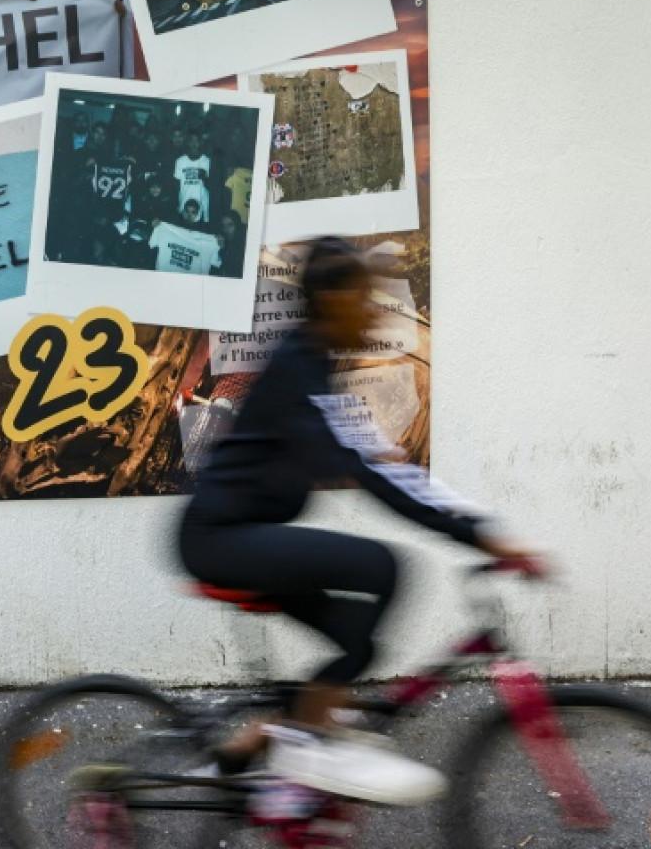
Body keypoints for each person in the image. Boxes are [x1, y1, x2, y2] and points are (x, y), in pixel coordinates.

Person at [178, 236, 542, 809]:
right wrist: (479, 536)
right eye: (365, 298)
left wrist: (478, 525)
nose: (374, 311)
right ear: (333, 300)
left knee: (355, 641)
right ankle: (304, 753)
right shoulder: (299, 369)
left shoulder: (315, 368)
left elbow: (383, 464)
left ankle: (253, 747)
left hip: (233, 536)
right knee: (383, 568)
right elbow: (377, 478)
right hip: (218, 539)